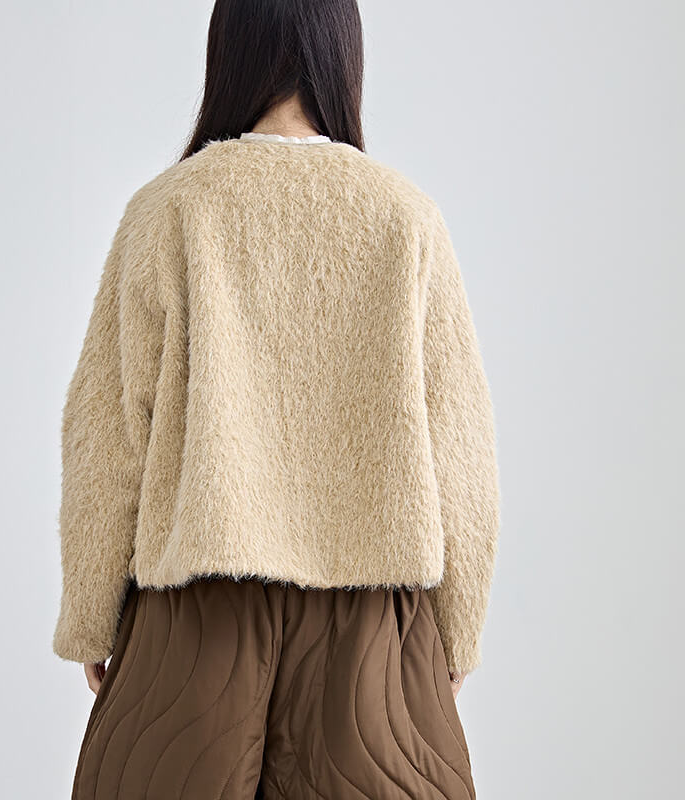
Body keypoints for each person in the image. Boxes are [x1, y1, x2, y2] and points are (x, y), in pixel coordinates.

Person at [52, 0, 501, 797]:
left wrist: (91, 613)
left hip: (192, 618)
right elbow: (461, 450)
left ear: (228, 54)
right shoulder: (406, 219)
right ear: (343, 58)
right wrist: (457, 633)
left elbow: (108, 436)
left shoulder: (168, 211)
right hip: (372, 627)